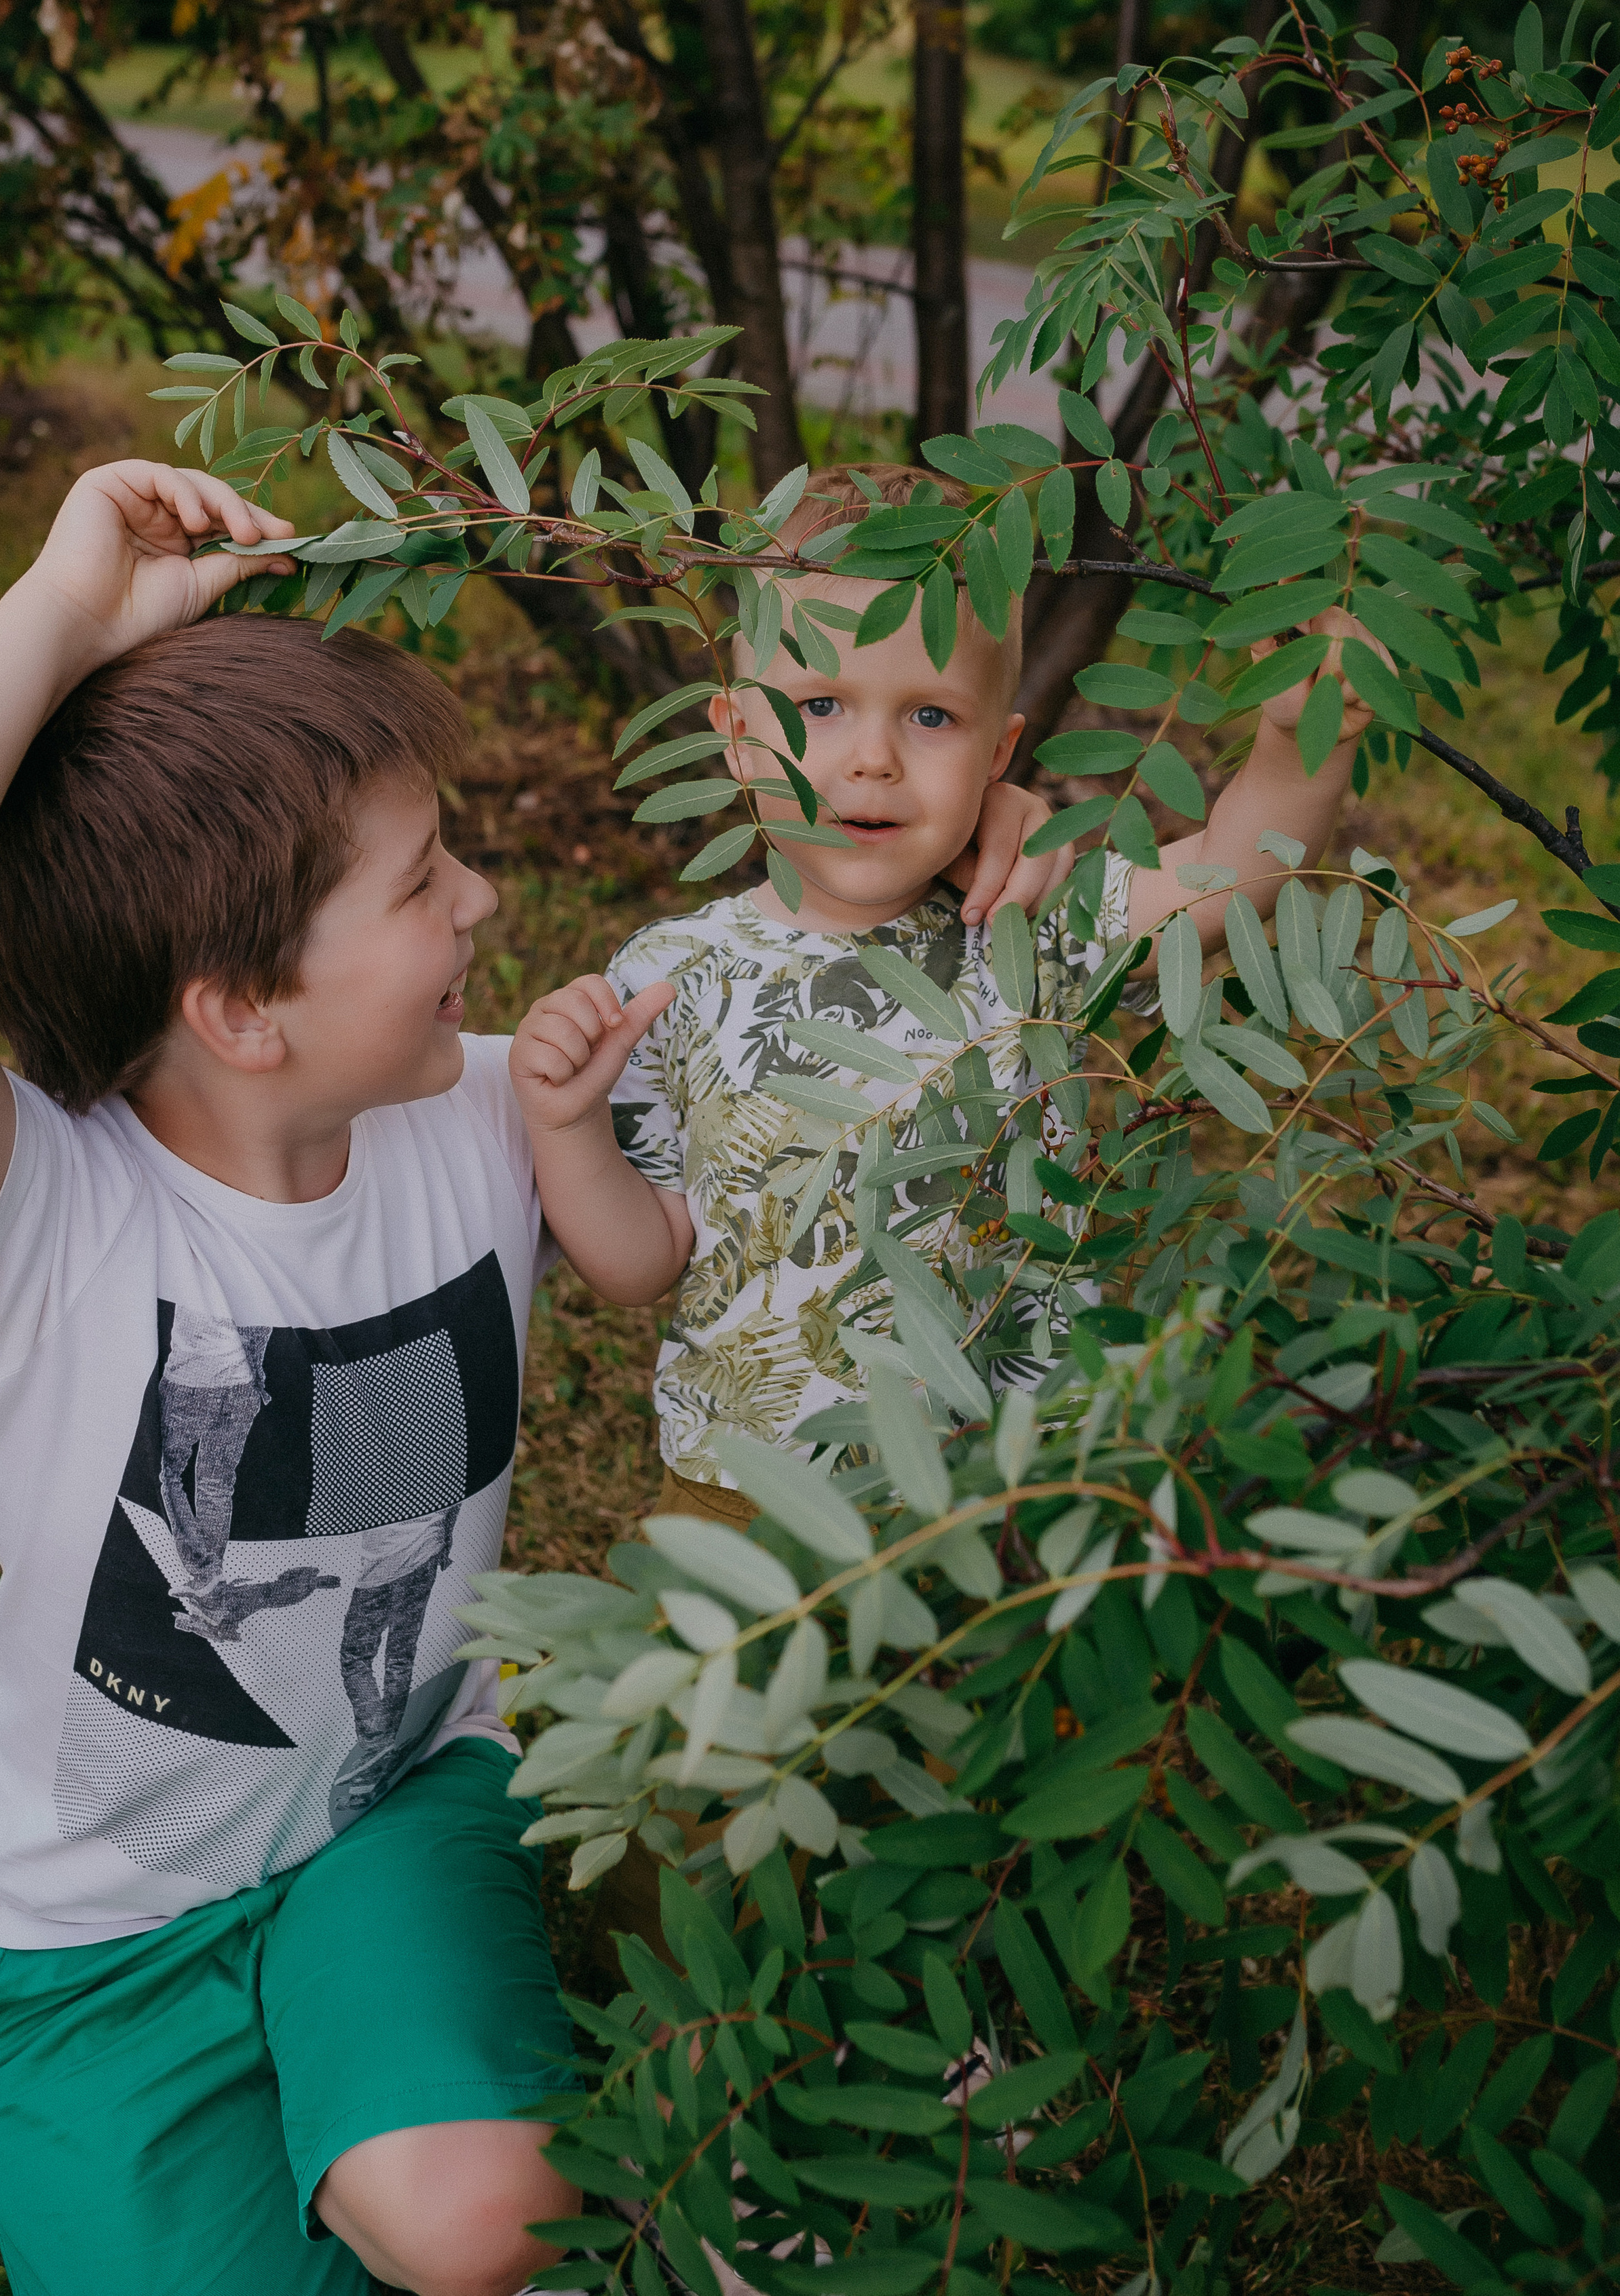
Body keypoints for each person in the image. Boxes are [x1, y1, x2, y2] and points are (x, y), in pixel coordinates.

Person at [0, 461, 580, 2296]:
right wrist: (57, 618)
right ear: (240, 1008)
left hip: (394, 1807)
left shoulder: (496, 1111)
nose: (486, 905)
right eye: (425, 883)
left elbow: (796, 1018)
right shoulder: (45, 1227)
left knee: (482, 2229)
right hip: (93, 1955)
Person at [508, 459, 1389, 1528]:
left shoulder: (1028, 924)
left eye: (930, 717)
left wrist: (1308, 736)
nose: (872, 759)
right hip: (749, 1488)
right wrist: (565, 1124)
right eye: (821, 705)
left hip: (1013, 1479)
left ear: (998, 750)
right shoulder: (670, 975)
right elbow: (643, 1261)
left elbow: (1233, 885)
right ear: (739, 738)